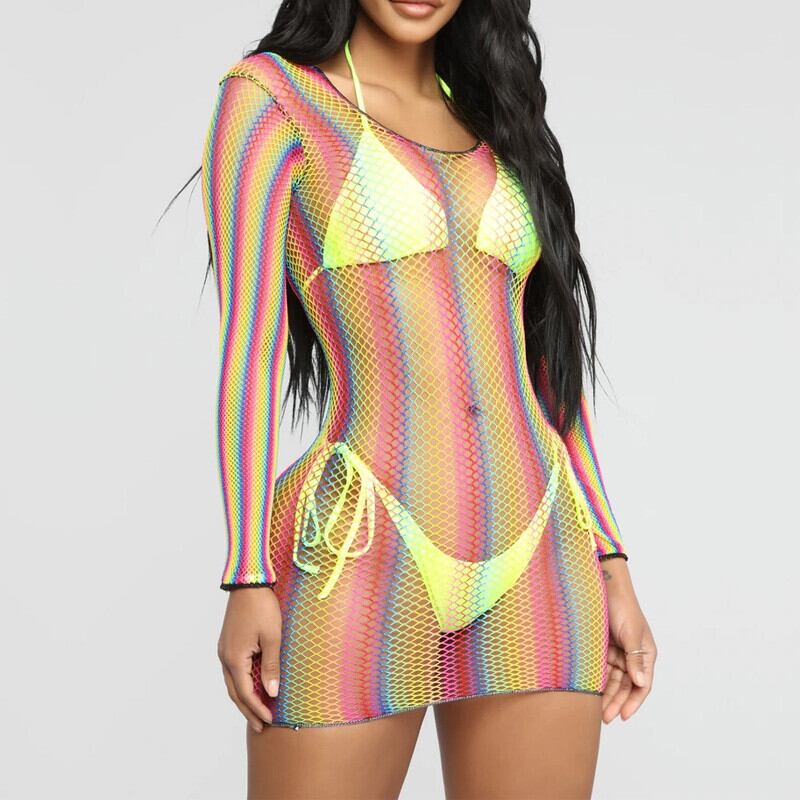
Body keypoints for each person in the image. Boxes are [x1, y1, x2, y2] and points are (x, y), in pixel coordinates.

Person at [198, 1, 657, 797]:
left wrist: (611, 557)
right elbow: (251, 348)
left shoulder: (496, 113)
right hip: (363, 544)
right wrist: (245, 574)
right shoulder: (273, 98)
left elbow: (547, 366)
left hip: (544, 547)